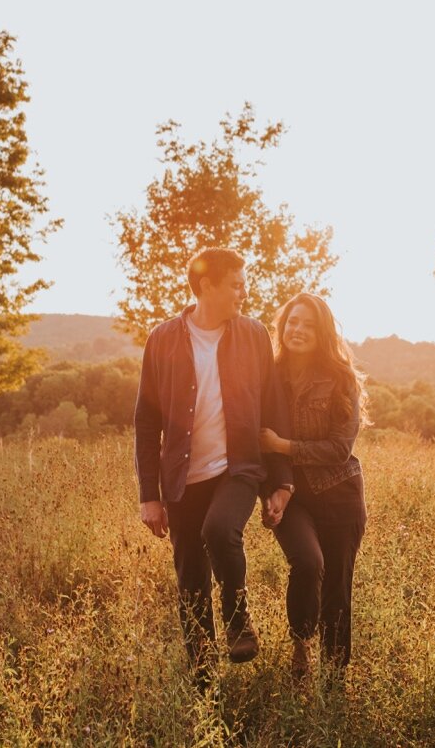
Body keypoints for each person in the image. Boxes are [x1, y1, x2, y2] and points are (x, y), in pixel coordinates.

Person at [133, 247, 295, 683]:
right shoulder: (163, 338)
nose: (244, 293)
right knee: (191, 585)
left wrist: (280, 481)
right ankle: (203, 681)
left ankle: (239, 618)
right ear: (207, 286)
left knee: (220, 529)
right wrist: (150, 495)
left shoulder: (253, 334)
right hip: (182, 481)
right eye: (236, 285)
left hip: (238, 468)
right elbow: (146, 423)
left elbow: (272, 409)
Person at [259, 291, 369, 680]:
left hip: (340, 494)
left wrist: (283, 446)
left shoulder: (340, 379)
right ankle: (301, 646)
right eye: (292, 322)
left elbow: (340, 448)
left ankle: (335, 680)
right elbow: (254, 443)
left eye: (308, 324)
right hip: (292, 499)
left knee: (337, 590)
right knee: (307, 564)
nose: (298, 330)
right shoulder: (266, 375)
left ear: (322, 332)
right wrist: (269, 490)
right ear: (282, 327)